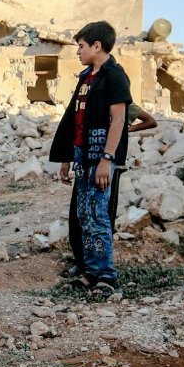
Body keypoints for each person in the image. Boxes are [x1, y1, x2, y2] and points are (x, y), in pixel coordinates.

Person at [48, 20, 132, 295]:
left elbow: (118, 120)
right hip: (82, 157)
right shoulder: (86, 78)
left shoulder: (115, 76)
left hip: (100, 158)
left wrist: (107, 159)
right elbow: (74, 119)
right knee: (84, 215)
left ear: (97, 46)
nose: (78, 51)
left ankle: (106, 276)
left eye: (81, 46)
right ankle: (89, 271)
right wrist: (66, 158)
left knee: (98, 216)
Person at [61, 102, 157, 279]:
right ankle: (81, 262)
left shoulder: (124, 104)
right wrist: (66, 160)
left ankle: (102, 268)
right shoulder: (90, 101)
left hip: (111, 166)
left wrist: (125, 130)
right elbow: (75, 130)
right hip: (87, 164)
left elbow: (151, 122)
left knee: (102, 216)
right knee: (78, 216)